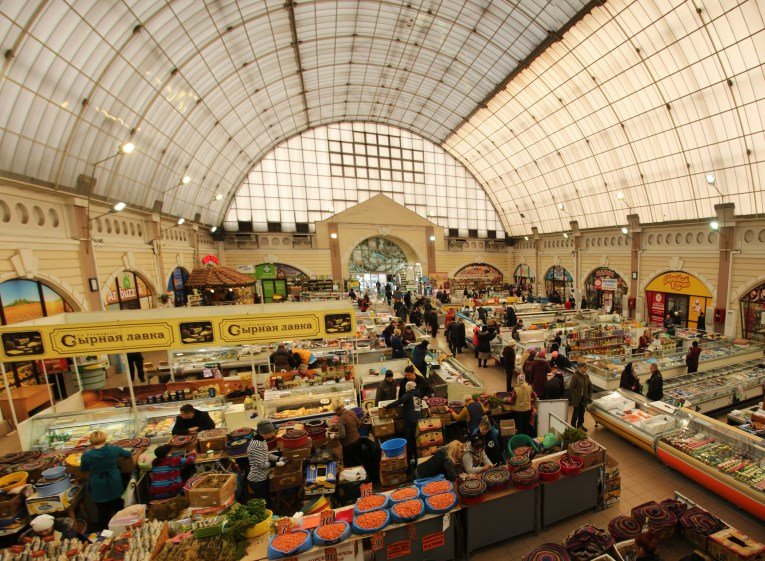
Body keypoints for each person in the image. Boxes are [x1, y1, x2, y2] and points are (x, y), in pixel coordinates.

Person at [80, 431, 132, 530]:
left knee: (103, 511)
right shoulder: (114, 449)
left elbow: (83, 469)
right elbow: (128, 454)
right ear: (105, 439)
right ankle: (123, 529)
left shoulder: (86, 455)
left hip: (97, 485)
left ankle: (105, 534)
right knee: (119, 508)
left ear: (91, 441)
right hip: (114, 481)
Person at [385, 380, 425, 468]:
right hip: (419, 421)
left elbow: (398, 402)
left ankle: (408, 464)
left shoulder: (408, 395)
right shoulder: (418, 395)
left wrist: (387, 407)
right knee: (416, 442)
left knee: (410, 442)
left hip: (410, 422)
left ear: (407, 388)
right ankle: (417, 462)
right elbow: (418, 409)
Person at [246, 420, 278, 501]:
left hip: (263, 477)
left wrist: (278, 458)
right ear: (265, 432)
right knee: (264, 502)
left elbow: (266, 454)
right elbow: (262, 465)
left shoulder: (261, 440)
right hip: (257, 480)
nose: (271, 435)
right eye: (270, 433)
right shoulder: (256, 445)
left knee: (267, 499)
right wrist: (276, 463)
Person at [335, 401, 362, 467]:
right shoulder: (351, 412)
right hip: (358, 440)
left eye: (335, 412)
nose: (335, 414)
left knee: (350, 464)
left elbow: (342, 436)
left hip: (349, 445)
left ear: (339, 410)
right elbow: (358, 424)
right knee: (358, 460)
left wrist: (334, 436)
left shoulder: (341, 420)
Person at [570, 363, 592, 430]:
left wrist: (589, 396)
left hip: (584, 398)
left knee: (582, 413)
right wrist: (578, 394)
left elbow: (590, 386)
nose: (585, 369)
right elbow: (572, 386)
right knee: (576, 413)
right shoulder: (575, 376)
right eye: (584, 367)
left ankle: (580, 425)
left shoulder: (586, 376)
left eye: (586, 367)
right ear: (580, 367)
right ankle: (573, 427)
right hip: (577, 399)